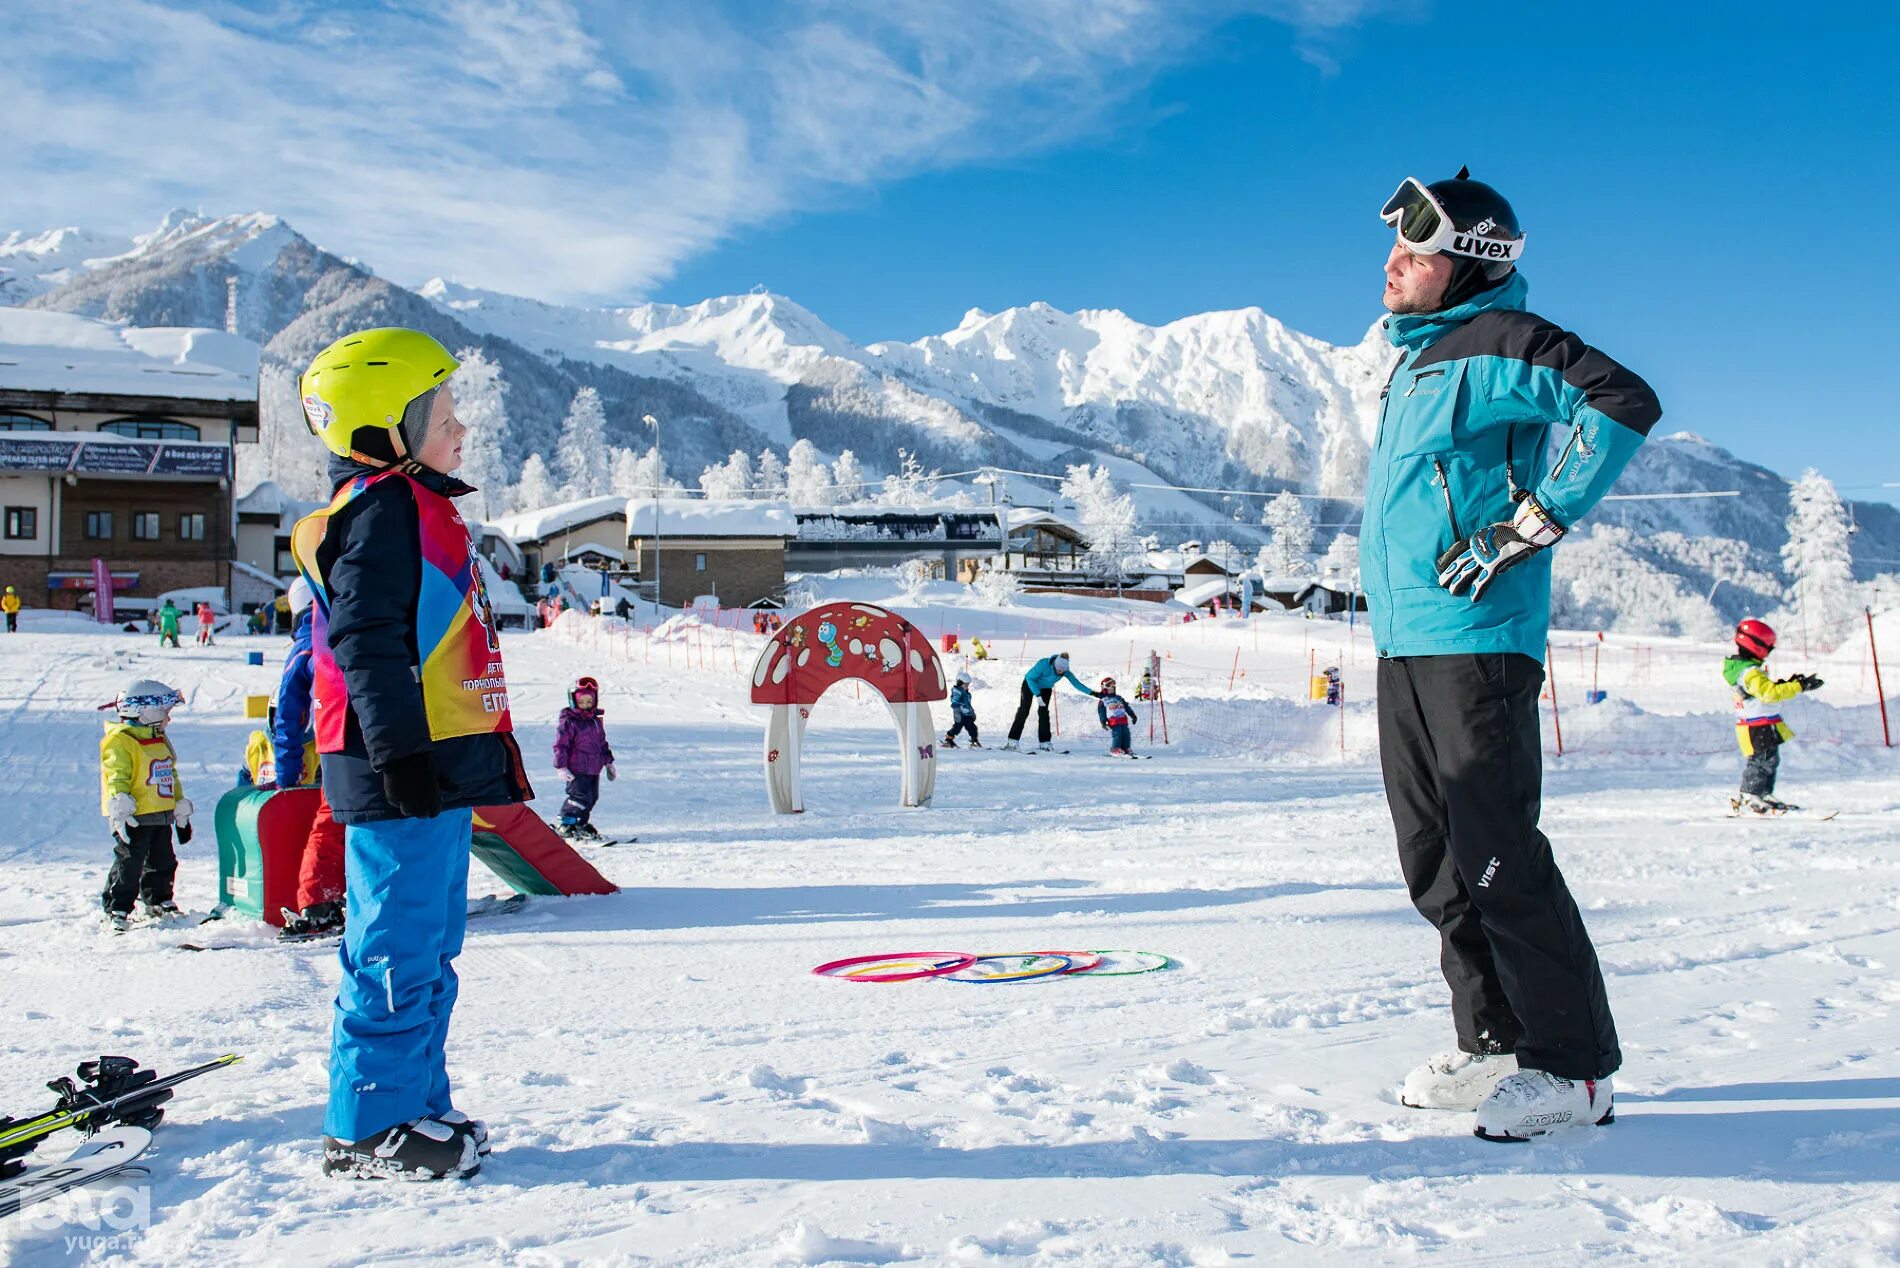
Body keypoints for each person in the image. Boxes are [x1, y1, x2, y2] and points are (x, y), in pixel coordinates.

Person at [1365, 170, 1660, 1141]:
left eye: (1413, 251)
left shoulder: (1499, 343)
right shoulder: (1415, 361)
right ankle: (1492, 1039)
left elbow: (1620, 399)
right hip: (1405, 643)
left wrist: (1530, 522)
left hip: (1476, 643)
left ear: (1468, 262)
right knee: (1434, 858)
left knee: (1496, 851)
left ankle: (1573, 1070)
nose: (1391, 264)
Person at [292, 326, 532, 1180]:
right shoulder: (381, 509)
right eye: (443, 414)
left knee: (429, 945)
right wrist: (399, 759)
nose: (461, 428)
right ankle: (367, 1125)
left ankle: (416, 1103)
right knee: (393, 946)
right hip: (402, 767)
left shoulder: (414, 504)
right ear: (382, 426)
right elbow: (365, 639)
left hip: (434, 762)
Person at [272, 576, 347, 938]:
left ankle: (318, 903)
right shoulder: (353, 625)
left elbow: (288, 719)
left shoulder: (305, 647)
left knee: (331, 822)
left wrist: (287, 777)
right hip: (391, 733)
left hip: (341, 742)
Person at [98, 678, 194, 931]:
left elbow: (170, 774)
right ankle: (116, 906)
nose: (168, 719)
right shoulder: (121, 741)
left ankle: (158, 899)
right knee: (130, 862)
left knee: (164, 860)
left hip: (160, 814)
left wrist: (178, 804)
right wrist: (119, 799)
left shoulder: (159, 739)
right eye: (165, 713)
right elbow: (116, 772)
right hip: (135, 815)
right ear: (146, 711)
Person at [1724, 619, 1821, 815]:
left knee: (1769, 759)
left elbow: (1766, 690)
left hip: (1762, 722)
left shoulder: (1748, 669)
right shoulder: (1750, 672)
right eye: (1769, 647)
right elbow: (1768, 693)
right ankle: (1751, 795)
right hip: (1756, 725)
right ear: (1757, 646)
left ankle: (1763, 793)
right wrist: (1798, 686)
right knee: (1760, 760)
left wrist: (1788, 683)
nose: (1770, 651)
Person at [552, 675, 615, 841]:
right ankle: (565, 822)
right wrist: (561, 766)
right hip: (576, 769)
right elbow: (561, 745)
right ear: (573, 701)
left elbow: (602, 743)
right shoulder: (569, 722)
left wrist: (609, 763)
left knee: (592, 798)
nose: (586, 706)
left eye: (589, 702)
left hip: (594, 769)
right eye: (582, 702)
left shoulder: (595, 722)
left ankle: (579, 823)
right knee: (579, 798)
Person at [1001, 652, 1099, 751]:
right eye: (1059, 669)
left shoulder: (1065, 671)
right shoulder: (1043, 664)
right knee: (1024, 710)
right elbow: (1030, 678)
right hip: (1030, 684)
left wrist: (1093, 693)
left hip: (1046, 688)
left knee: (1044, 713)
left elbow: (1077, 684)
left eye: (1063, 670)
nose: (1060, 672)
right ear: (1054, 665)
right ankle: (1012, 741)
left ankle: (1045, 743)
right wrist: (1037, 695)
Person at [1096, 677, 1139, 756]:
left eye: (1113, 686)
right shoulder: (1103, 700)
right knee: (1117, 734)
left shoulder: (1119, 698)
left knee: (1126, 734)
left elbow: (1127, 707)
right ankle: (1115, 749)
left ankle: (1126, 748)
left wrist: (1133, 716)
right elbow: (1101, 712)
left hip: (1123, 719)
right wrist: (1103, 722)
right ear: (1104, 688)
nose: (1112, 687)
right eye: (1109, 685)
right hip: (1113, 720)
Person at [943, 669, 980, 748]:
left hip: (966, 714)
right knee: (957, 727)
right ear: (959, 683)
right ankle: (949, 739)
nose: (967, 686)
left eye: (968, 685)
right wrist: (958, 713)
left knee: (972, 727)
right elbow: (955, 702)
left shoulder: (966, 693)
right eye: (965, 685)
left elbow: (968, 705)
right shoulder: (957, 692)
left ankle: (974, 740)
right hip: (959, 713)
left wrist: (972, 713)